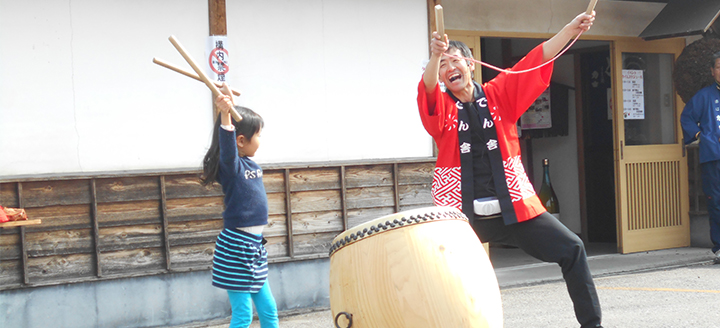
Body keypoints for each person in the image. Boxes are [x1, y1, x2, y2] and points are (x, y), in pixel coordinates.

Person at [417, 11, 603, 328]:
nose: (450, 69)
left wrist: (569, 30)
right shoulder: (443, 108)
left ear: (471, 64)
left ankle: (592, 324)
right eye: (443, 64)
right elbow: (429, 87)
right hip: (461, 216)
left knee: (572, 248)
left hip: (514, 208)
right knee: (439, 276)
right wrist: (435, 57)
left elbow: (536, 60)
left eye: (455, 61)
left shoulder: (499, 94)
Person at [201, 84, 279, 328]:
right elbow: (227, 149)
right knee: (243, 315)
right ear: (242, 141)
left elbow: (231, 144)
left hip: (253, 248)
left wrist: (230, 105)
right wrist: (225, 114)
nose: (260, 140)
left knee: (269, 311)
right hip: (236, 248)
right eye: (258, 135)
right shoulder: (231, 168)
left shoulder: (251, 165)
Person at [680, 51, 720, 265]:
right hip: (714, 156)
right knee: (716, 202)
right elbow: (687, 118)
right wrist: (700, 136)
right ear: (712, 71)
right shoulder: (704, 96)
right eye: (719, 66)